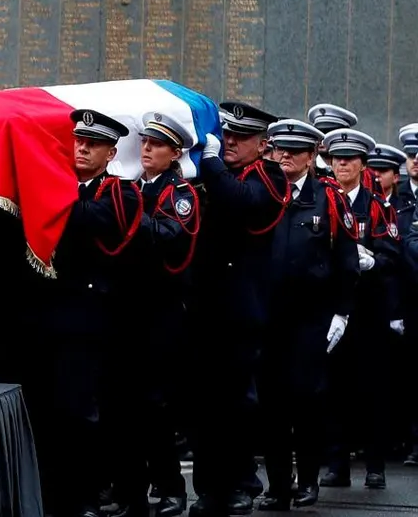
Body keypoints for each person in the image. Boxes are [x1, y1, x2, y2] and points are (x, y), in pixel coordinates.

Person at [39, 108, 140, 517]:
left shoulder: (120, 193)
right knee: (47, 411)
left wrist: (43, 188)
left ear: (111, 153)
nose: (82, 148)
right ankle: (50, 494)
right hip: (46, 316)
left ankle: (85, 496)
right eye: (79, 141)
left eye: (93, 144)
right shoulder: (57, 184)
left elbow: (88, 222)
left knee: (84, 414)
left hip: (92, 319)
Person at [253, 120, 358, 511]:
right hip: (268, 315)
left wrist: (342, 313)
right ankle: (279, 485)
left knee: (306, 401)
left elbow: (346, 260)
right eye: (279, 149)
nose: (283, 157)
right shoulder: (263, 191)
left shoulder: (327, 198)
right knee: (272, 405)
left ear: (312, 156)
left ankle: (309, 480)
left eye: (294, 151)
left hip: (310, 319)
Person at [189, 101, 288, 517]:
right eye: (226, 134)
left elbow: (243, 204)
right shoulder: (215, 177)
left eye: (240, 137)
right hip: (206, 305)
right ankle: (210, 487)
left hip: (241, 309)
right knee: (204, 404)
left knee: (235, 404)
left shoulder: (269, 176)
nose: (229, 142)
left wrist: (210, 163)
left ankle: (240, 483)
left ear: (262, 145)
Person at [114, 112, 199, 517]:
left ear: (175, 153)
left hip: (161, 310)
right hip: (127, 306)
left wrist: (129, 213)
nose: (147, 149)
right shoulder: (133, 188)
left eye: (157, 144)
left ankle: (171, 487)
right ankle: (130, 488)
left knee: (155, 405)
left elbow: (170, 237)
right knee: (124, 404)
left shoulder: (180, 193)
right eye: (145, 142)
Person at [320, 136, 402, 490]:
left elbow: (392, 254)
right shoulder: (322, 201)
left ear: (361, 165)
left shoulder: (377, 207)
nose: (342, 165)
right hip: (334, 308)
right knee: (334, 389)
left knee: (371, 390)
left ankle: (375, 465)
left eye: (349, 160)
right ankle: (337, 464)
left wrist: (372, 260)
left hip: (367, 309)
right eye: (337, 159)